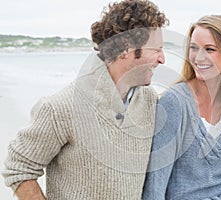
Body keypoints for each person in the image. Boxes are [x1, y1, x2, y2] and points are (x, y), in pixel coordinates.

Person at [2, 0, 168, 199]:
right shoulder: (60, 108)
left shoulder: (150, 100)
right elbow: (19, 168)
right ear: (126, 48)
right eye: (156, 49)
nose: (162, 59)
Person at [142, 15, 221, 200]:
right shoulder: (175, 102)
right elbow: (156, 183)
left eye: (210, 49)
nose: (198, 57)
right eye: (193, 48)